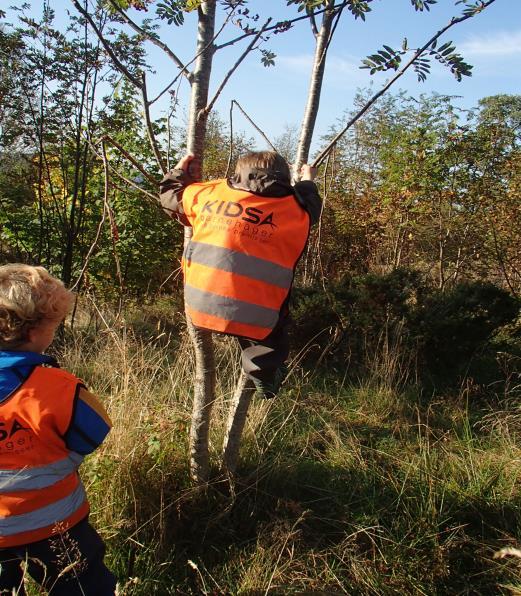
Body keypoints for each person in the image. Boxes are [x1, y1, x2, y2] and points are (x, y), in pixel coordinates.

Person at [159, 151, 321, 398]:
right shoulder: (296, 210)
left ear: (239, 173)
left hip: (200, 307)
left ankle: (255, 356)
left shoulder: (210, 193)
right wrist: (308, 180)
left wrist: (180, 171)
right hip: (256, 317)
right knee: (273, 336)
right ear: (285, 179)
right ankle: (264, 373)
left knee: (245, 308)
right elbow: (312, 206)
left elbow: (170, 197)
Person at [0, 264, 116, 595]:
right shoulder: (59, 388)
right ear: (36, 332)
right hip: (57, 528)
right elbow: (94, 433)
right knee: (85, 588)